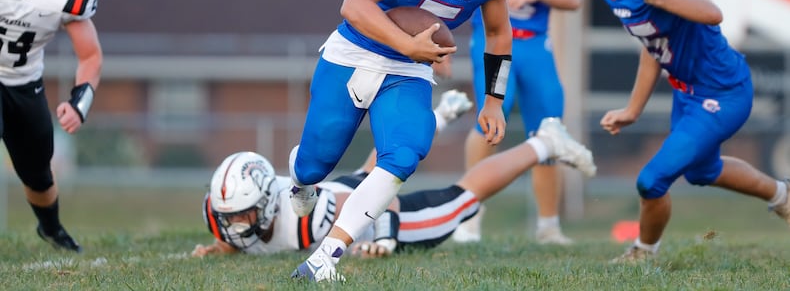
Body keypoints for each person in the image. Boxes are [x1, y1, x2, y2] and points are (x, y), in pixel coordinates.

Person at [285, 0, 524, 281]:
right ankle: (300, 179)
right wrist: (406, 44)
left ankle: (327, 257)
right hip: (355, 53)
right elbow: (354, 6)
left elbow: (500, 35)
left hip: (409, 67)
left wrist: (494, 101)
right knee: (314, 165)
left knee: (406, 150)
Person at [585, 0, 790, 263]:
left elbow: (712, 12)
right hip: (688, 92)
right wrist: (633, 109)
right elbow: (654, 46)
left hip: (724, 91)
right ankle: (783, 196)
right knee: (702, 171)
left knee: (651, 179)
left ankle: (643, 252)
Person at [192, 106, 595, 259]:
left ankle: (544, 142)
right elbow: (238, 233)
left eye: (244, 215)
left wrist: (382, 237)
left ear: (267, 202)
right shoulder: (223, 213)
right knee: (379, 166)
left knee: (461, 198)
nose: (237, 224)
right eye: (232, 217)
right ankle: (435, 118)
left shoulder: (307, 217)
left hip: (375, 214)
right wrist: (221, 247)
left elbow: (369, 198)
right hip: (347, 192)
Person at [454, 0, 583, 246]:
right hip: (493, 43)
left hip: (535, 45)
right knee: (487, 123)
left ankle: (548, 225)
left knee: (549, 131)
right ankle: (468, 215)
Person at [0, 0, 103, 253]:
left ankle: (51, 228)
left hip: (25, 81)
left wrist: (79, 103)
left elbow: (90, 56)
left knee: (38, 174)